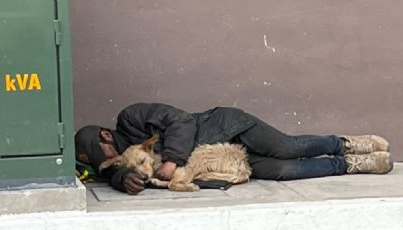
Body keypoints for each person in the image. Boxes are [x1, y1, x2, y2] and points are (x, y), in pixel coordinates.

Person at [75, 103, 393, 195]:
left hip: (228, 127)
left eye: (99, 151)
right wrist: (120, 180)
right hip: (223, 159)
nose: (108, 160)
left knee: (286, 148)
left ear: (105, 135)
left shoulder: (131, 119)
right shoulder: (121, 163)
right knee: (283, 171)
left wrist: (171, 162)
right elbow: (113, 178)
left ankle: (345, 144)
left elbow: (182, 121)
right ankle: (351, 164)